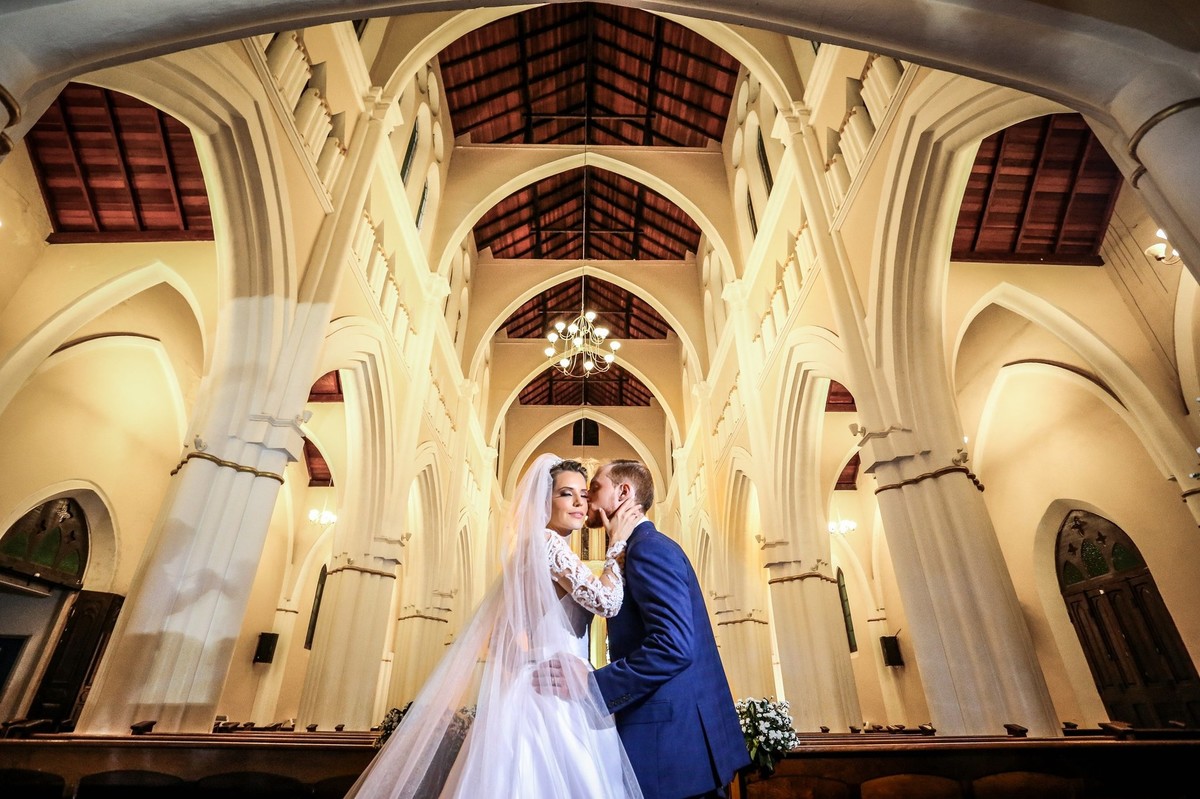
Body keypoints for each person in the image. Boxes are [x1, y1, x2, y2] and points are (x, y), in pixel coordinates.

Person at [344, 454, 644, 798]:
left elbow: (508, 635)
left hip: (547, 684)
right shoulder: (547, 545)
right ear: (542, 501)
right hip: (552, 694)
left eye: (583, 494)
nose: (580, 503)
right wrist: (616, 544)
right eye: (566, 494)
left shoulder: (537, 548)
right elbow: (607, 602)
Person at [587, 459, 750, 799]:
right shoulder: (638, 548)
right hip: (674, 745)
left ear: (623, 492)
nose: (587, 498)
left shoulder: (648, 549)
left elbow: (672, 645)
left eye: (595, 487)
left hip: (671, 749)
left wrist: (594, 688)